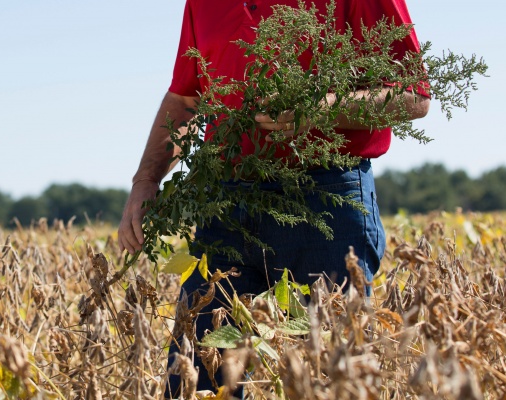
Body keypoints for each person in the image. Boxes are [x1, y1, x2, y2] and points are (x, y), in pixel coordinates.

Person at [117, 0, 430, 396]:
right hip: (225, 205)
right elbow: (185, 101)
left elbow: (412, 94)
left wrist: (315, 110)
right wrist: (146, 181)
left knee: (329, 376)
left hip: (324, 200)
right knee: (197, 380)